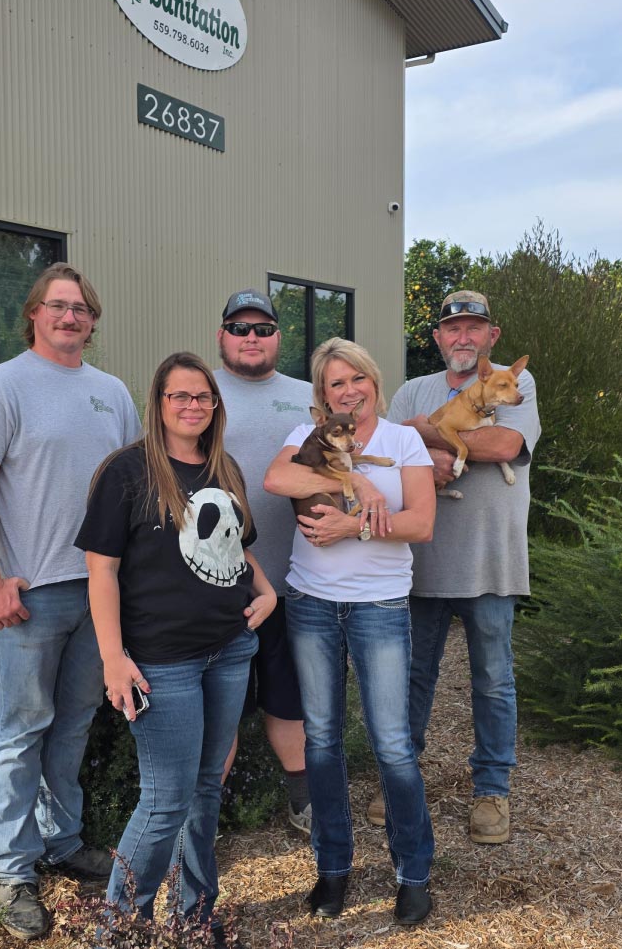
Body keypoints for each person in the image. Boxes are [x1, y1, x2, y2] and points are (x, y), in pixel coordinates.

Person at [0, 263, 141, 940]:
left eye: (81, 307)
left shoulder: (111, 392)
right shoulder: (4, 386)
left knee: (75, 722)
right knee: (19, 732)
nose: (70, 317)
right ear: (34, 314)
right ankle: (11, 872)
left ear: (93, 320)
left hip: (100, 591)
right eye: (57, 306)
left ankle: (60, 842)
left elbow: (131, 489)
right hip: (31, 595)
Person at [75, 351, 276, 948]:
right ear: (158, 405)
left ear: (216, 406)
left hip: (229, 649)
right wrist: (113, 657)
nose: (192, 406)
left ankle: (196, 916)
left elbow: (237, 547)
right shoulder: (127, 473)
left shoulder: (225, 469)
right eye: (180, 396)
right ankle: (118, 931)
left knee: (207, 786)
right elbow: (101, 572)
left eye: (203, 397)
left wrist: (265, 592)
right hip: (164, 662)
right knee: (165, 800)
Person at [264, 338, 437, 926]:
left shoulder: (403, 440)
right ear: (323, 397)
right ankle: (332, 871)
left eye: (356, 379)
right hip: (312, 603)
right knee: (322, 741)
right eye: (336, 384)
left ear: (373, 381)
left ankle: (413, 875)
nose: (349, 391)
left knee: (392, 745)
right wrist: (355, 484)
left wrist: (353, 526)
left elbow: (420, 522)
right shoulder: (306, 439)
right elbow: (274, 480)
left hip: (379, 606)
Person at [374, 289, 541, 845]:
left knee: (493, 679)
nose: (463, 338)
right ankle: (401, 779)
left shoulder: (515, 383)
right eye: (453, 329)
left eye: (474, 328)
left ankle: (492, 792)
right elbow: (385, 450)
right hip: (419, 564)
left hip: (491, 562)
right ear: (439, 338)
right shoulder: (412, 391)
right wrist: (426, 440)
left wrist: (435, 435)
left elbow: (505, 440)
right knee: (413, 676)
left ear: (491, 337)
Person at [214, 288, 314, 833]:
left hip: (295, 576)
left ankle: (303, 799)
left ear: (279, 336)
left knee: (288, 696)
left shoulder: (307, 395)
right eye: (240, 327)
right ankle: (204, 814)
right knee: (220, 703)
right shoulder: (196, 390)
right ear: (222, 335)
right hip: (214, 579)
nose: (251, 338)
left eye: (262, 329)